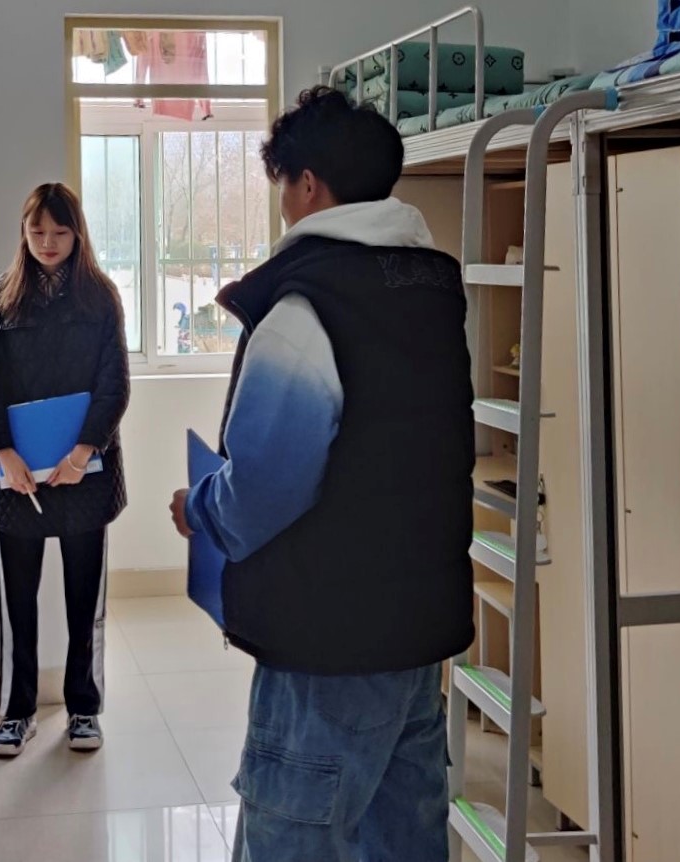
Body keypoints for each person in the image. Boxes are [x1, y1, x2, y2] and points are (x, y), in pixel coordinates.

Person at [169, 86, 475, 861]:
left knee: (292, 838)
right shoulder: (429, 288)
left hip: (327, 635)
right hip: (415, 631)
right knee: (402, 839)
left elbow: (263, 489)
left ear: (306, 184)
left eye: (281, 184)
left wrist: (200, 508)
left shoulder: (306, 305)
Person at [0, 183, 130, 757]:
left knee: (85, 601)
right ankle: (18, 713)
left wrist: (84, 452)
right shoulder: (2, 296)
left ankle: (84, 708)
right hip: (17, 477)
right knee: (19, 604)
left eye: (60, 232)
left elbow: (114, 383)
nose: (48, 243)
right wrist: (2, 450)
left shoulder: (101, 297)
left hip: (85, 471)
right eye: (37, 232)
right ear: (24, 232)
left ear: (78, 233)